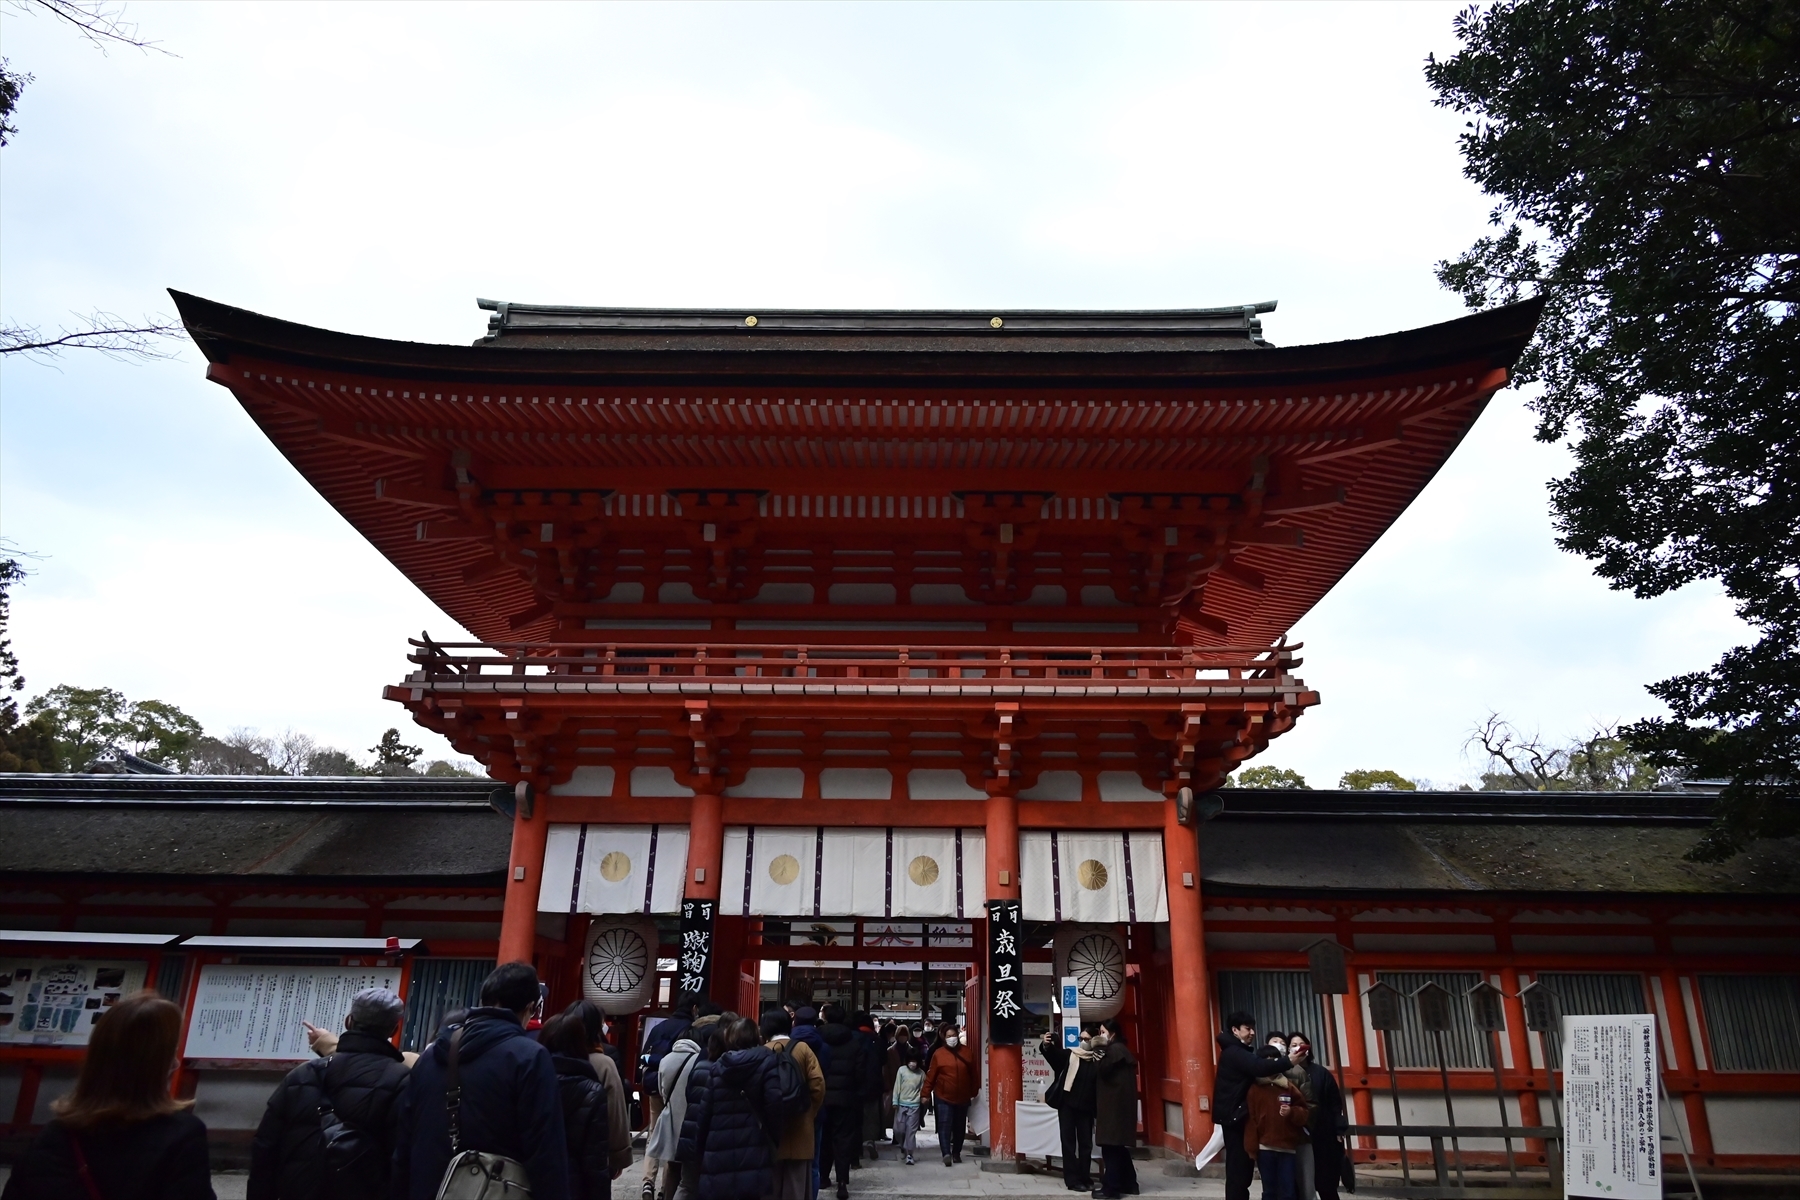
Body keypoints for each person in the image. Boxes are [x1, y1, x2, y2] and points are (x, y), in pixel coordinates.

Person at [2, 991, 213, 1200]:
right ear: (151, 1068)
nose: (176, 1064)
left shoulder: (53, 1136)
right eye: (169, 1056)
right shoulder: (182, 1136)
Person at [392, 961, 570, 1200]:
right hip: (494, 1191)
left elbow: (404, 1141)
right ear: (529, 1007)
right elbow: (545, 1151)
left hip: (429, 1188)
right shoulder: (529, 1057)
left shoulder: (431, 1057)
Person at [248, 986, 410, 1200]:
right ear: (393, 1030)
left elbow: (265, 1148)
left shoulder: (302, 1075)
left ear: (348, 1021)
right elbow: (402, 1157)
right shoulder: (402, 1080)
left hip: (297, 1190)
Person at [689, 1016, 783, 1200]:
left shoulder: (718, 1067)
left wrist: (699, 1149)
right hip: (754, 1144)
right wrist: (774, 1138)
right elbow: (774, 1104)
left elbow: (705, 1111)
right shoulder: (768, 1063)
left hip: (718, 1145)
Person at [1213, 1012, 1293, 1200]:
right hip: (1235, 1118)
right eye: (1247, 1029)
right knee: (1238, 1172)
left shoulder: (1235, 1051)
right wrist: (1289, 1060)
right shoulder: (1234, 1052)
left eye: (1252, 1028)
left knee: (1242, 1171)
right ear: (1235, 1030)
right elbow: (1259, 1067)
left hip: (1240, 1117)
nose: (1252, 1033)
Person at [541, 1012, 618, 1200]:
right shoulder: (592, 1090)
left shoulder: (530, 1080)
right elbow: (595, 1161)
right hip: (573, 1185)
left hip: (529, 1180)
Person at [563, 999, 635, 1182]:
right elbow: (615, 1112)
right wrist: (618, 1155)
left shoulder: (548, 1055)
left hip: (554, 1146)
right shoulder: (604, 1064)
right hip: (593, 1148)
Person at [761, 1007, 827, 1199]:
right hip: (800, 1128)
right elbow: (818, 1085)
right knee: (797, 1185)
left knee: (772, 1184)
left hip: (771, 1129)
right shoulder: (802, 1049)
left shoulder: (761, 1052)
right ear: (790, 1025)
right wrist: (809, 1112)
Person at [640, 994, 700, 1200]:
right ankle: (664, 1190)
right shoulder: (691, 1029)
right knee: (672, 1135)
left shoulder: (659, 1027)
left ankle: (647, 1181)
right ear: (694, 1008)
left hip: (655, 1084)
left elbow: (644, 1053)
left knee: (654, 1133)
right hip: (677, 1088)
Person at [671, 1010, 727, 1200]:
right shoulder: (724, 1071)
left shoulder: (699, 1066)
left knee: (686, 1184)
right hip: (714, 1134)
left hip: (691, 1131)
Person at [1243, 1048, 1309, 1200]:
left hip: (1288, 1148)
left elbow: (1304, 1113)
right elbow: (1251, 1120)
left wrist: (1291, 1112)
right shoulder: (1254, 1089)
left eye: (1275, 1059)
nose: (1271, 1063)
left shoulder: (1289, 1087)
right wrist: (1252, 1148)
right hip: (1264, 1148)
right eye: (1267, 1059)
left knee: (1288, 1191)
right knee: (1269, 1191)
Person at [1039, 1024, 1098, 1192]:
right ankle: (1072, 1179)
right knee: (1069, 1143)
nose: (1083, 1042)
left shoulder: (1097, 1059)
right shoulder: (1070, 1055)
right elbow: (1053, 1056)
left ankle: (1085, 1177)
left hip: (1086, 1108)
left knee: (1086, 1144)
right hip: (1067, 1106)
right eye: (1081, 1039)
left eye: (1087, 1039)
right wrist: (1047, 1045)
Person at [1287, 1033, 1344, 1200]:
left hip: (1323, 1134)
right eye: (1293, 1044)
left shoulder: (1321, 1073)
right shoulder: (1285, 1073)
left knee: (1326, 1184)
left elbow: (1335, 1103)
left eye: (1301, 1043)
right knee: (1299, 1184)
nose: (1298, 1047)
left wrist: (1339, 1128)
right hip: (1298, 1135)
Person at [815, 1004, 866, 1195]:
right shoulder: (853, 1041)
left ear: (826, 1017)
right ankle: (842, 1181)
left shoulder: (818, 1038)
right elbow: (860, 1072)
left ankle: (823, 1176)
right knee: (843, 1139)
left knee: (824, 1138)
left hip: (822, 1096)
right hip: (846, 1097)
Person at [1090, 1019, 1138, 1199]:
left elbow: (1102, 1070)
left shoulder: (1113, 1051)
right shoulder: (1122, 1051)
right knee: (1118, 1148)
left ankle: (1112, 1188)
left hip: (1113, 1108)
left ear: (1112, 1033)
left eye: (1103, 1032)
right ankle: (1130, 1183)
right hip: (1120, 1107)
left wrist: (1098, 1050)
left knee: (1110, 1149)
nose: (1101, 1035)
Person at [920, 1024, 978, 1167]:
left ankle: (956, 1153)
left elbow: (974, 1075)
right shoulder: (939, 1054)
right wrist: (925, 1093)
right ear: (944, 1038)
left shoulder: (967, 1052)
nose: (952, 1038)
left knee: (959, 1127)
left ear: (958, 1035)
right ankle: (946, 1153)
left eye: (954, 1035)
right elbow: (931, 1076)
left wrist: (974, 1091)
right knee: (944, 1125)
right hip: (943, 1096)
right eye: (948, 1036)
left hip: (962, 1097)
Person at [850, 1011, 885, 1165]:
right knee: (870, 1116)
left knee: (855, 1118)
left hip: (854, 1084)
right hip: (873, 1083)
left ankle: (856, 1148)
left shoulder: (852, 1039)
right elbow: (884, 1060)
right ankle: (870, 1140)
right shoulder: (877, 1041)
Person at [889, 1049, 925, 1166]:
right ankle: (903, 1146)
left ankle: (910, 1154)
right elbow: (897, 1086)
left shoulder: (921, 1074)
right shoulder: (901, 1071)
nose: (912, 1063)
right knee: (899, 1129)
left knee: (911, 1131)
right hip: (901, 1105)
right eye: (911, 1061)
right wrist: (895, 1101)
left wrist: (921, 1100)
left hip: (914, 1106)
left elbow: (923, 1089)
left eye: (915, 1061)